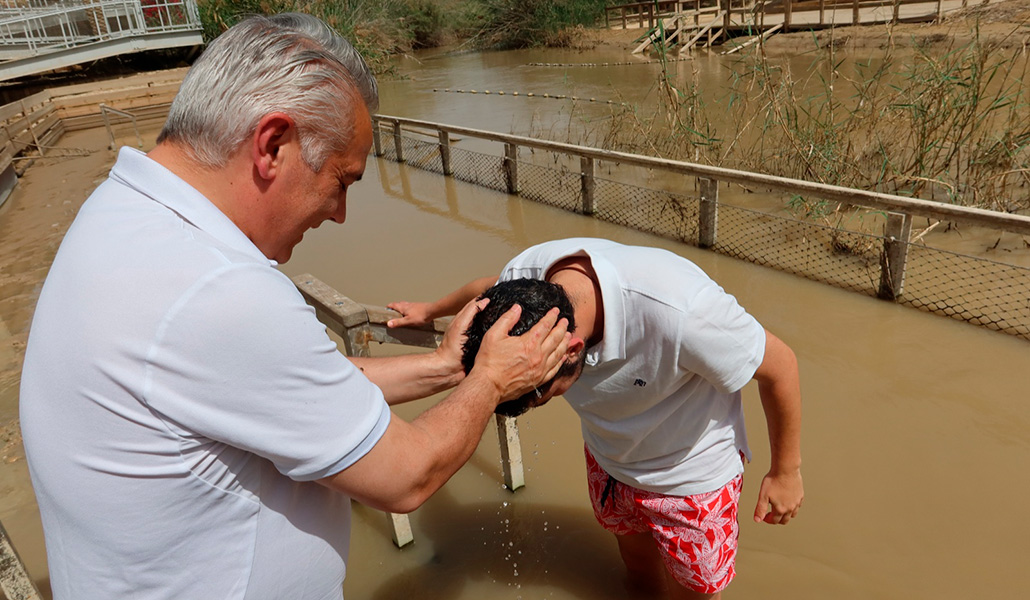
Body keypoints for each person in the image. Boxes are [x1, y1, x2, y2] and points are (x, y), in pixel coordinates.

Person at [19, 13, 569, 600]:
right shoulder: (220, 290)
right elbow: (409, 475)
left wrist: (444, 367)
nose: (340, 214)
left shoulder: (124, 213)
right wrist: (489, 381)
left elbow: (296, 383)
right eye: (342, 180)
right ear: (272, 145)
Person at [387, 237, 804, 599]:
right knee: (638, 575)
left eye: (541, 399)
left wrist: (786, 471)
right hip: (609, 463)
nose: (541, 405)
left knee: (694, 595)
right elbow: (485, 288)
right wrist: (431, 311)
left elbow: (780, 366)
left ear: (572, 351)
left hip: (691, 479)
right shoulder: (525, 282)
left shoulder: (684, 313)